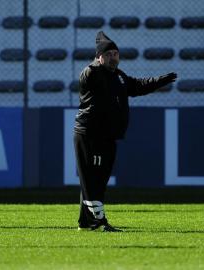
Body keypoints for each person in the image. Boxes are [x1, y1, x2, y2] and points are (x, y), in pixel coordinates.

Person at [74, 31, 177, 232]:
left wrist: (160, 81)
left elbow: (137, 86)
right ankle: (98, 223)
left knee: (99, 180)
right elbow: (89, 76)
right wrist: (96, 63)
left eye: (115, 53)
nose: (113, 57)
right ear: (99, 56)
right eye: (108, 54)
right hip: (91, 134)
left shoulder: (119, 76)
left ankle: (87, 223)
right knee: (92, 180)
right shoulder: (92, 72)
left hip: (108, 136)